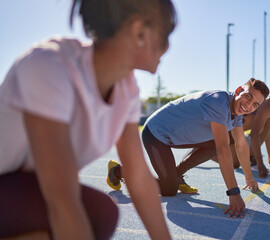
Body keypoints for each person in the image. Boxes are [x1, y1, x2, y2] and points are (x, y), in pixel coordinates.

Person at [0, 0, 176, 239]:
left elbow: (138, 177)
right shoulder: (50, 65)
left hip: (22, 189)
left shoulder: (127, 89)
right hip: (8, 184)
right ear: (139, 31)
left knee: (102, 213)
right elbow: (61, 198)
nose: (168, 47)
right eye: (166, 35)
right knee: (81, 213)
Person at [107, 78, 269, 218]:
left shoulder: (237, 114)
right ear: (238, 90)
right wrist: (233, 192)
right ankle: (117, 171)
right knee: (169, 190)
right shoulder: (219, 102)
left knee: (218, 143)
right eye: (248, 96)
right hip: (156, 133)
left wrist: (249, 179)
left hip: (178, 136)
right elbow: (223, 150)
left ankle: (176, 175)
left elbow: (240, 144)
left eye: (255, 104)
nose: (249, 105)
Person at [195, 80, 270, 179]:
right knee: (234, 163)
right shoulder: (268, 105)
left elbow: (268, 132)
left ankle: (250, 156)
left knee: (236, 164)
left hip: (232, 135)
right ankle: (199, 147)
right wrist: (260, 163)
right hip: (222, 133)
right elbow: (255, 134)